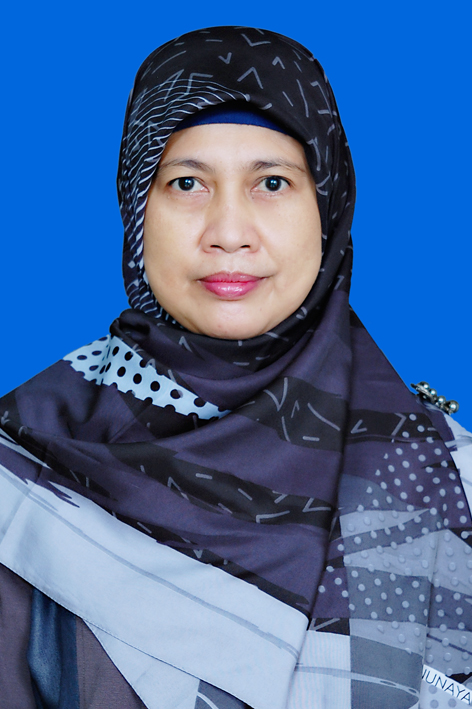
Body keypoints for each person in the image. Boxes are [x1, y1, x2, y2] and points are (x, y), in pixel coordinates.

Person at [0, 25, 471, 709]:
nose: (228, 231)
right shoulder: (24, 473)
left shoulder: (444, 480)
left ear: (328, 206)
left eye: (272, 183)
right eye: (187, 183)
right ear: (137, 207)